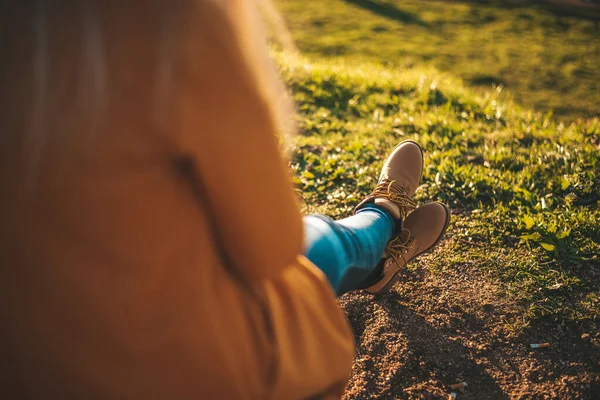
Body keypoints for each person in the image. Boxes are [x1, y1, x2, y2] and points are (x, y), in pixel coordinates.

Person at [0, 1, 448, 399]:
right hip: (188, 366)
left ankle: (379, 234)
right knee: (312, 244)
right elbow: (271, 249)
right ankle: (383, 223)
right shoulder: (162, 25)